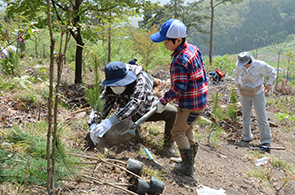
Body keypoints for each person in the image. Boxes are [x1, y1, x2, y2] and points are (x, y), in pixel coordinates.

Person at [150, 19, 208, 176]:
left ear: (178, 40)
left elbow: (178, 88)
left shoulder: (179, 61)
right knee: (186, 128)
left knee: (177, 132)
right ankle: (187, 158)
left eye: (167, 41)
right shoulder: (193, 49)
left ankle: (187, 166)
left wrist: (163, 100)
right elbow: (203, 73)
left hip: (189, 104)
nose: (164, 44)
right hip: (200, 100)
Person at [87, 61, 177, 154]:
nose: (114, 87)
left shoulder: (141, 80)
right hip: (125, 115)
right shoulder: (110, 86)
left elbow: (135, 103)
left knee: (172, 112)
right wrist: (93, 124)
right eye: (112, 85)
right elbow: (101, 104)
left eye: (117, 84)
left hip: (147, 109)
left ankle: (168, 145)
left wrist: (110, 121)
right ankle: (132, 134)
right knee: (113, 137)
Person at [234, 52, 276, 152]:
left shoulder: (260, 65)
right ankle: (246, 136)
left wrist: (269, 84)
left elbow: (273, 72)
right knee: (246, 115)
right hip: (245, 92)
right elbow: (236, 75)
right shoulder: (239, 65)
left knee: (261, 116)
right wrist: (238, 84)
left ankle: (266, 140)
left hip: (257, 93)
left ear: (249, 61)